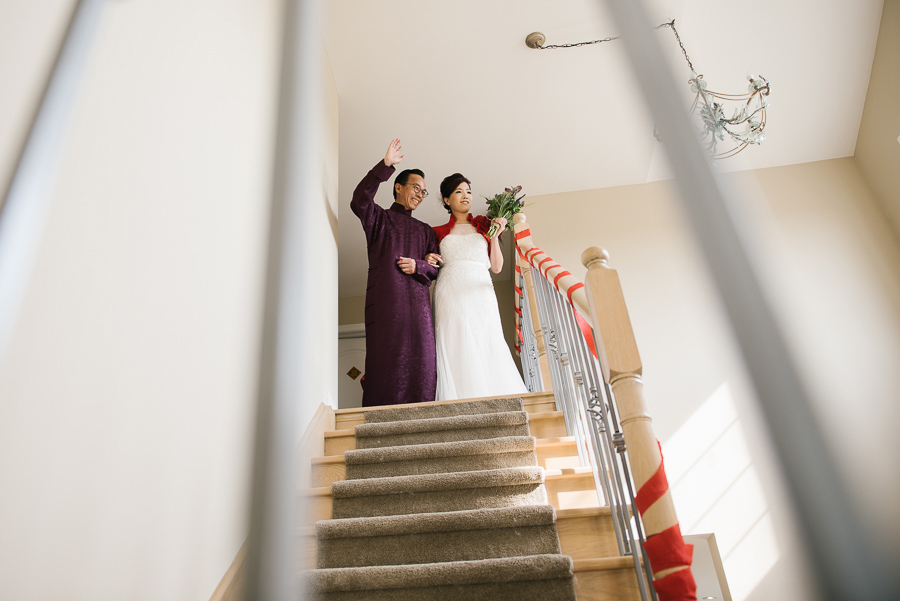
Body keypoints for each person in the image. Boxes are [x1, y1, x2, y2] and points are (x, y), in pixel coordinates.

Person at [351, 139, 440, 406]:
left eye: (424, 192)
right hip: (387, 306)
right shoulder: (378, 218)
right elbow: (359, 200)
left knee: (423, 361)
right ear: (398, 187)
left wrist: (419, 265)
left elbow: (436, 268)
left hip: (420, 312)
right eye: (416, 188)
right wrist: (385, 165)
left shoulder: (426, 230)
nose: (420, 195)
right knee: (386, 360)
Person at [427, 173, 528, 401]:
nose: (466, 196)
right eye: (459, 192)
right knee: (456, 337)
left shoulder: (484, 227)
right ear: (446, 200)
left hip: (480, 287)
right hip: (450, 289)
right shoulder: (437, 231)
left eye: (469, 191)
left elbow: (496, 267)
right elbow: (431, 261)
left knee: (486, 334)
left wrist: (496, 236)